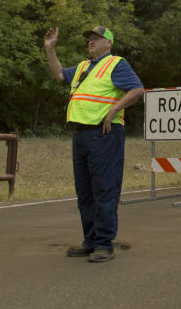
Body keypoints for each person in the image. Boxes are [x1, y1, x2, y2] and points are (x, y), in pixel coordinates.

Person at [43, 24, 144, 263]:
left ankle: (104, 244)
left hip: (104, 134)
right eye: (89, 38)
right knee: (85, 192)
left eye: (97, 38)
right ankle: (90, 241)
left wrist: (114, 110)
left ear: (108, 43)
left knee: (104, 189)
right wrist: (49, 49)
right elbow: (59, 74)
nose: (91, 41)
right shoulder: (82, 67)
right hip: (81, 134)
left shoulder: (117, 64)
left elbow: (137, 90)